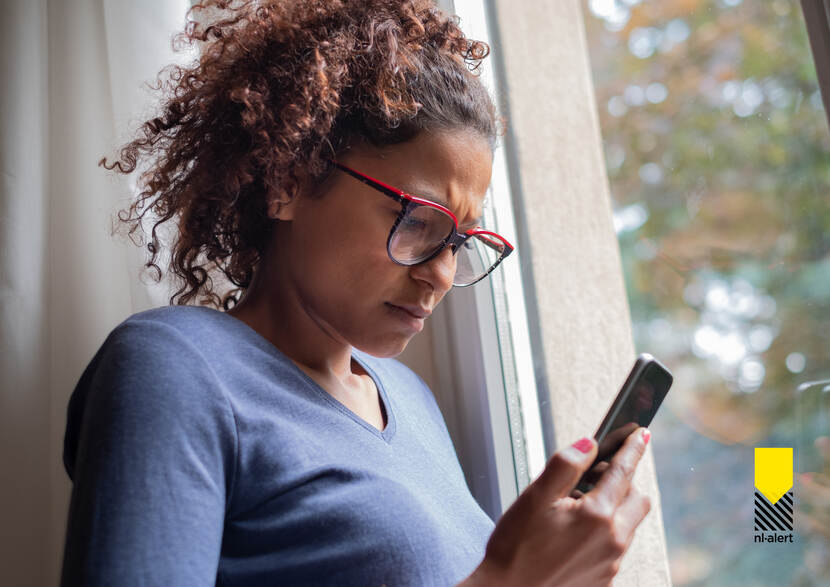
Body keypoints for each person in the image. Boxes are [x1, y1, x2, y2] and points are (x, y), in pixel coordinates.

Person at [60, 1, 652, 585]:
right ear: (288, 182)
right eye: (419, 221)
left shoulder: (409, 400)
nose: (441, 275)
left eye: (460, 241)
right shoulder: (176, 367)